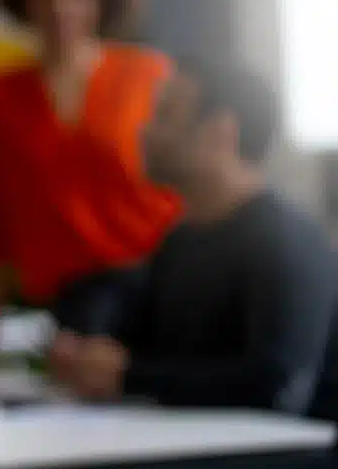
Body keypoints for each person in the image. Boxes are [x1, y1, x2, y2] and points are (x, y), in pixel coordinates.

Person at [49, 58, 338, 418]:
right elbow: (130, 322)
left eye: (166, 116)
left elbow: (278, 384)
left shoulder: (288, 242)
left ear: (221, 132)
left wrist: (129, 376)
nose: (145, 131)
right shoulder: (182, 242)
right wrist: (88, 352)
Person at [0, 0, 180, 374]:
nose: (59, 5)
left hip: (162, 295)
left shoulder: (149, 76)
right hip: (71, 312)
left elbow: (184, 194)